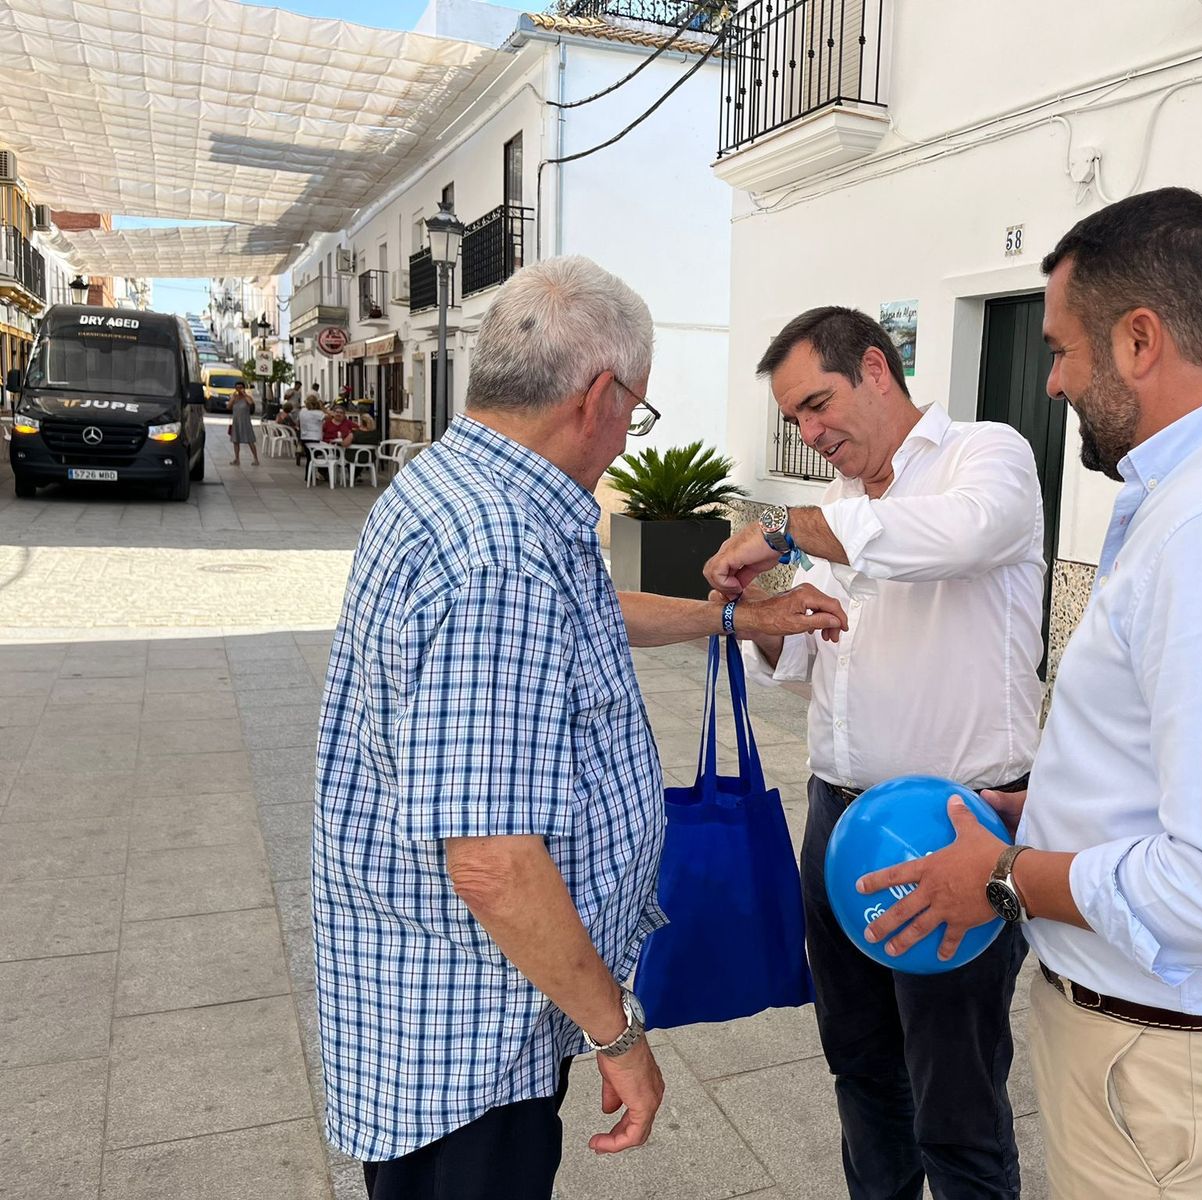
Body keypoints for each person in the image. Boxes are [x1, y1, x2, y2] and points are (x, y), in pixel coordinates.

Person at [854, 188, 1202, 1200]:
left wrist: (1010, 877)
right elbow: (1182, 766)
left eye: (1062, 349)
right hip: (1177, 1068)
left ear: (1139, 339)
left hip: (1186, 1079)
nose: (1050, 379)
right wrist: (1048, 807)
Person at [312, 255, 848, 1200]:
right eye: (636, 414)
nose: (625, 436)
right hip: (472, 1036)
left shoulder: (460, 487)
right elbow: (491, 857)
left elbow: (589, 607)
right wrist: (618, 1033)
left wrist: (735, 618)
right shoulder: (503, 554)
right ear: (598, 395)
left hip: (431, 1005)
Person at [703, 306, 1046, 1200]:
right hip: (837, 818)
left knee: (957, 1100)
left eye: (820, 404)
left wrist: (782, 529)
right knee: (860, 1072)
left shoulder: (988, 455)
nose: (812, 434)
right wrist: (763, 614)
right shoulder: (846, 510)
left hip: (954, 826)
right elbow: (802, 658)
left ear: (877, 369)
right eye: (797, 421)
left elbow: (958, 536)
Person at [228, 382, 258, 466]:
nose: (239, 389)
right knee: (235, 440)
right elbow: (228, 407)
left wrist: (244, 394)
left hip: (245, 421)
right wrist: (233, 398)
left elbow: (251, 403)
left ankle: (256, 458)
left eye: (241, 387)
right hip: (236, 421)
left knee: (250, 440)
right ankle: (237, 459)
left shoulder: (247, 397)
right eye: (237, 387)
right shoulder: (234, 397)